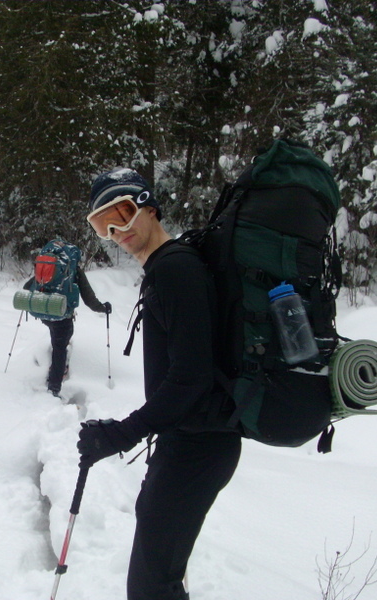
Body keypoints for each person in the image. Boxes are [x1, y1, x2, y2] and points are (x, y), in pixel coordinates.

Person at [77, 168, 242, 600]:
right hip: (188, 441)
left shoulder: (176, 270)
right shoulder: (171, 267)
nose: (117, 231)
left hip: (199, 446)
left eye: (123, 214)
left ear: (149, 207)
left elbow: (190, 380)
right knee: (157, 575)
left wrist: (120, 434)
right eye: (103, 224)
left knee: (152, 587)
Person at [23, 240, 111, 397]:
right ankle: (54, 387)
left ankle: (56, 369)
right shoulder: (73, 270)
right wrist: (103, 308)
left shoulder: (45, 264)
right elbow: (89, 298)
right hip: (62, 314)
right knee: (60, 348)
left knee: (55, 335)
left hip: (44, 310)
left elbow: (26, 287)